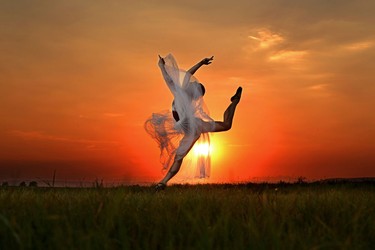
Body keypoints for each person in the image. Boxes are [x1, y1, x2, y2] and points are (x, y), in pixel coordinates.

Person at [144, 54, 242, 190]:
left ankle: (163, 182)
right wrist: (201, 63)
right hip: (193, 127)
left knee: (179, 158)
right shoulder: (182, 94)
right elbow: (187, 75)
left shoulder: (180, 92)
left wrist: (161, 66)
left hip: (191, 127)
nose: (191, 83)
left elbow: (184, 75)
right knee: (226, 125)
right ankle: (235, 102)